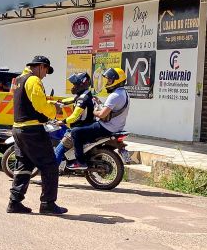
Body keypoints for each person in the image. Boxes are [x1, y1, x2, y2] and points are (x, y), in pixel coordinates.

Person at [7, 55, 67, 215]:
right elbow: (39, 105)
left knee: (24, 166)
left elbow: (27, 102)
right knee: (50, 165)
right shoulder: (33, 80)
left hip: (18, 129)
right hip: (32, 129)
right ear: (41, 66)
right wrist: (55, 111)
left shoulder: (19, 79)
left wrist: (49, 104)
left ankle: (14, 202)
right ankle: (48, 204)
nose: (45, 75)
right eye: (46, 70)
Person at [66, 67, 130, 170]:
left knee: (75, 132)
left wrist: (94, 111)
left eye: (109, 80)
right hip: (117, 127)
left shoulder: (115, 95)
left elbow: (102, 115)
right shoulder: (124, 93)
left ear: (117, 80)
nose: (107, 82)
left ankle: (80, 162)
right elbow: (111, 110)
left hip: (106, 127)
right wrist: (100, 103)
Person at [53, 72, 95, 163]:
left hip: (79, 128)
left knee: (58, 152)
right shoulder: (84, 95)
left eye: (75, 84)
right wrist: (57, 102)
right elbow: (70, 100)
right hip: (85, 127)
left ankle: (50, 176)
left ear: (83, 84)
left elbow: (74, 116)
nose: (73, 87)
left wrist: (62, 121)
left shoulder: (83, 98)